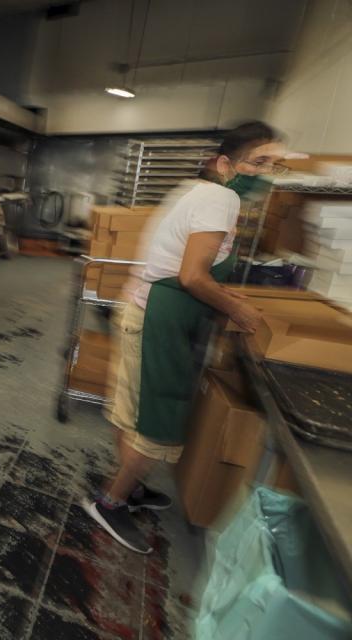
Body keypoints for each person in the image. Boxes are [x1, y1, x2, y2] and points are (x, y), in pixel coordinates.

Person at [84, 121, 288, 554]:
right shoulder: (221, 198)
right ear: (224, 164)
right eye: (258, 162)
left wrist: (224, 295)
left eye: (274, 164)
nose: (266, 172)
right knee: (157, 424)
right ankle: (111, 501)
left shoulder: (194, 191)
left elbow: (183, 265)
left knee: (134, 413)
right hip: (157, 319)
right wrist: (237, 308)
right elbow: (192, 276)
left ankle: (130, 488)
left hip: (143, 308)